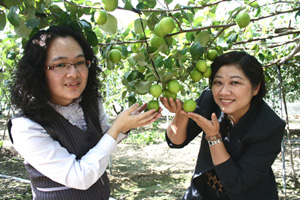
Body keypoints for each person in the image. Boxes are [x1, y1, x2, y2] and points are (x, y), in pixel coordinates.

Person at [8, 26, 162, 200]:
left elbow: (104, 140)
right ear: (38, 71)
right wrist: (117, 128)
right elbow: (79, 177)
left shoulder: (90, 103)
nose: (73, 73)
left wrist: (127, 125)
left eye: (80, 63)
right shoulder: (26, 127)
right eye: (60, 65)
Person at [160, 51, 285, 200]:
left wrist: (214, 138)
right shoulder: (210, 100)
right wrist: (180, 115)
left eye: (235, 82)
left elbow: (236, 183)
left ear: (256, 88)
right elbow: (175, 141)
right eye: (218, 82)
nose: (224, 92)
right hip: (204, 192)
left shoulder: (269, 126)